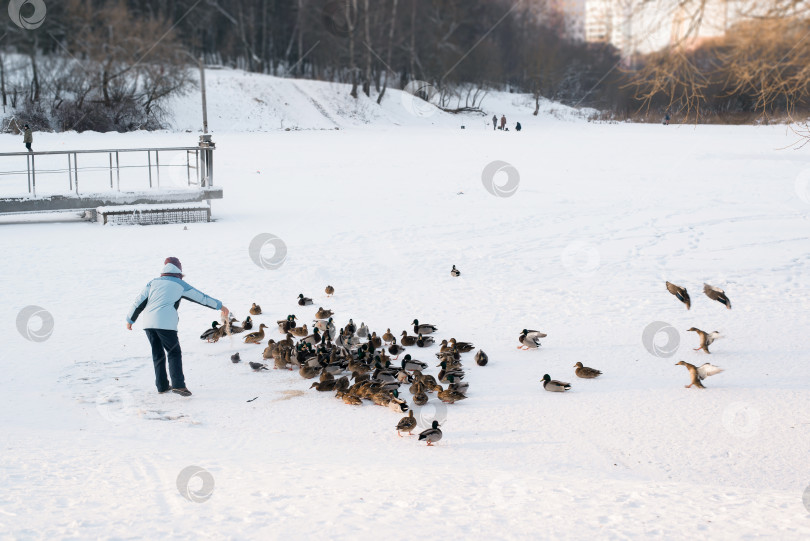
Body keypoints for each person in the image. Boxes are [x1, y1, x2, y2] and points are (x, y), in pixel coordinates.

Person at [126, 257, 228, 396]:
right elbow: (201, 297)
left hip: (148, 323)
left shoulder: (153, 283)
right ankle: (178, 385)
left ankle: (162, 386)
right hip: (166, 324)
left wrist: (130, 320)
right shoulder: (179, 284)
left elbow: (138, 302)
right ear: (179, 269)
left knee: (158, 353)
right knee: (173, 352)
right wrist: (220, 306)